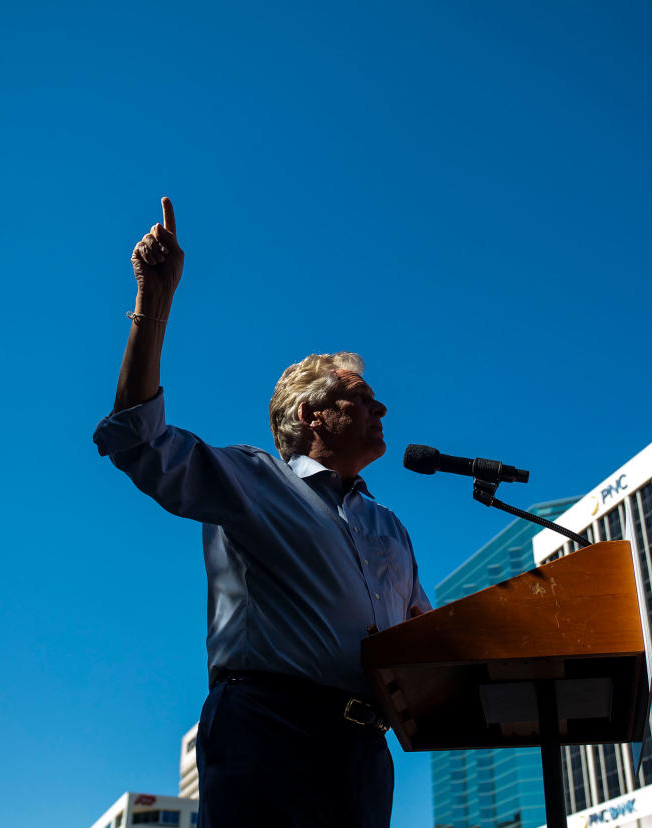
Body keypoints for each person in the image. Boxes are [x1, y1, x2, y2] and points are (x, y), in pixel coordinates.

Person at [93, 197, 431, 828]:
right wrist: (154, 305)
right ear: (312, 416)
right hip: (269, 736)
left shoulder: (391, 529)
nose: (382, 412)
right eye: (363, 400)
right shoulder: (254, 480)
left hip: (365, 752)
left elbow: (426, 635)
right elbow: (138, 441)